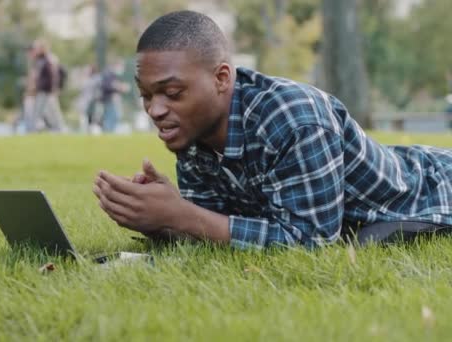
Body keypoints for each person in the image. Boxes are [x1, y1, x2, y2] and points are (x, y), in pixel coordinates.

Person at [92, 10, 452, 250]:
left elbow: (311, 241)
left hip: (433, 193)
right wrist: (157, 216)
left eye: (172, 93)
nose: (155, 110)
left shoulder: (294, 117)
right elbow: (215, 230)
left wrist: (183, 214)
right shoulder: (192, 131)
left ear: (221, 78)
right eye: (145, 95)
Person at [32, 43, 67, 132]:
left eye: (37, 48)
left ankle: (60, 128)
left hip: (47, 90)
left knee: (51, 111)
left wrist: (55, 88)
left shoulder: (49, 59)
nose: (36, 50)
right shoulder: (40, 60)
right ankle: (56, 128)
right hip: (43, 90)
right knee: (46, 111)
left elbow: (55, 75)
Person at [99, 61, 130, 133]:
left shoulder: (113, 75)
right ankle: (108, 131)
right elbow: (107, 86)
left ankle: (110, 131)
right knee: (110, 116)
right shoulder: (108, 74)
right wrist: (119, 87)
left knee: (114, 116)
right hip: (108, 100)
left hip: (112, 100)